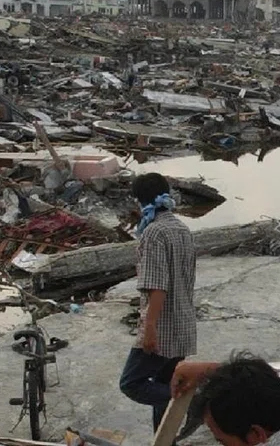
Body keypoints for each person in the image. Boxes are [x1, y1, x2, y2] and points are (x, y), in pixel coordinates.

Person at [119, 172, 197, 433]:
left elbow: (157, 286)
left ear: (139, 201)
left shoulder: (153, 232)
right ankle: (164, 439)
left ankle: (192, 402)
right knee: (166, 383)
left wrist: (149, 327)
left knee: (132, 383)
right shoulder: (181, 229)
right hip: (182, 323)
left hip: (162, 326)